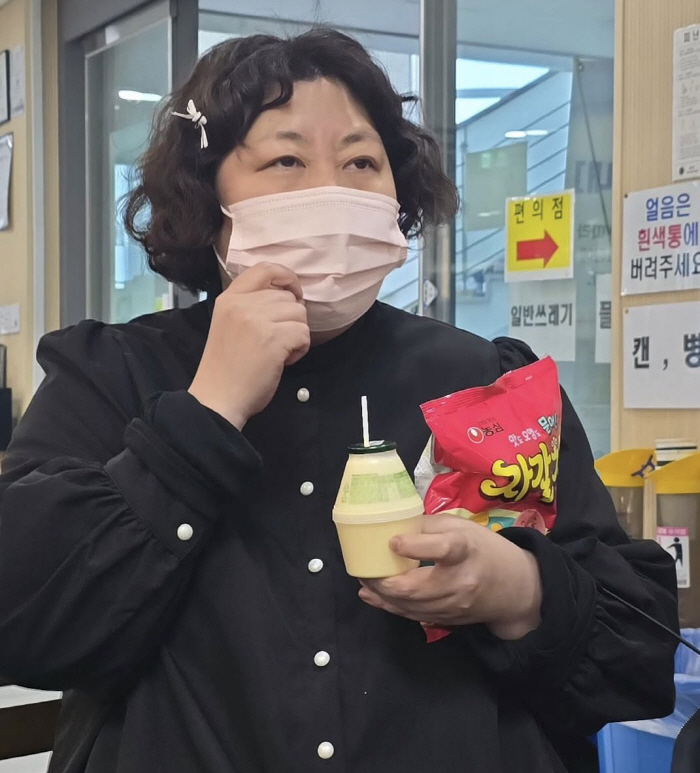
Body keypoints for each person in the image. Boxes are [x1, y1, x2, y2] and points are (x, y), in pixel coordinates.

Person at [0, 27, 679, 773]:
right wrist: (206, 411)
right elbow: (25, 622)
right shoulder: (113, 375)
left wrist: (521, 591)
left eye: (361, 161)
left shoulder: (488, 379)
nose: (332, 191)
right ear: (206, 191)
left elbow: (640, 653)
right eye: (286, 160)